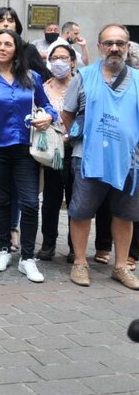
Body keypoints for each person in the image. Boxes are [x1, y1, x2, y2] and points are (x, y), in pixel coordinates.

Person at [0, 28, 57, 282]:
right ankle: (4, 249)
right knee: (1, 199)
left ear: (16, 49)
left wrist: (48, 116)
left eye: (7, 44)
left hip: (24, 148)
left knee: (30, 202)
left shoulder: (31, 77)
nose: (1, 48)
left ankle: (28, 257)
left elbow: (48, 105)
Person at [62, 24, 139, 289]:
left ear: (128, 47)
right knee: (82, 211)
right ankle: (80, 263)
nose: (114, 48)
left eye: (120, 43)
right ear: (99, 47)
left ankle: (120, 266)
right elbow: (68, 112)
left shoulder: (138, 80)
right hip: (88, 157)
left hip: (129, 160)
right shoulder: (83, 76)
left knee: (125, 214)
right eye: (108, 43)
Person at [37, 41, 76, 262]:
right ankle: (48, 244)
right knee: (51, 200)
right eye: (54, 59)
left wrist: (73, 134)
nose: (59, 62)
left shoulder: (81, 86)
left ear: (72, 61)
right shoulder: (43, 87)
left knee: (75, 200)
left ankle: (74, 247)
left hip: (75, 148)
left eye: (63, 58)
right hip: (52, 150)